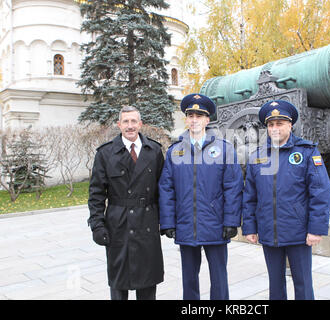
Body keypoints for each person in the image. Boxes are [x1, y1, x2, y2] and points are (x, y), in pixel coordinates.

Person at [242, 100, 330, 300]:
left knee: (303, 283)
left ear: (290, 125)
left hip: (298, 232)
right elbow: (250, 196)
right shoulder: (257, 156)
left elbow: (320, 191)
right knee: (275, 284)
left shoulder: (306, 152)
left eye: (280, 123)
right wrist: (250, 227)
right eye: (271, 124)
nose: (275, 128)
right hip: (268, 231)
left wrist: (316, 229)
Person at [158, 93, 243, 300]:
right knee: (189, 278)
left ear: (207, 120)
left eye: (199, 115)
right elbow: (166, 187)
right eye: (190, 115)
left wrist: (231, 221)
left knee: (219, 277)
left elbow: (233, 186)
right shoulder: (175, 151)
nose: (194, 119)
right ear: (186, 119)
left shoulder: (224, 149)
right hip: (186, 225)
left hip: (215, 225)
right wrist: (168, 221)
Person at [87, 106, 165, 300]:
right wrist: (97, 225)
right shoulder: (105, 154)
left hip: (147, 224)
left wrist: (167, 222)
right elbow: (96, 193)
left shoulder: (154, 150)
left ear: (140, 124)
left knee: (147, 286)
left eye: (133, 121)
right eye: (125, 122)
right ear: (119, 124)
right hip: (118, 225)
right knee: (119, 285)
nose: (130, 126)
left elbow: (163, 190)